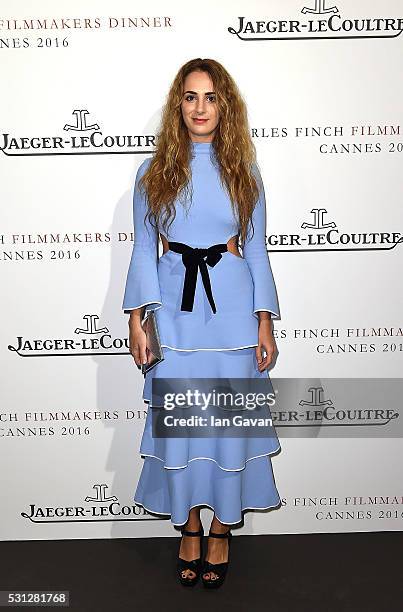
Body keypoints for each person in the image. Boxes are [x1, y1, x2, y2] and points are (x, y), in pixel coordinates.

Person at [122, 58, 282, 589]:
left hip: (233, 314)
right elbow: (145, 251)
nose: (200, 107)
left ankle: (221, 530)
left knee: (227, 425)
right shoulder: (153, 172)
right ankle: (188, 525)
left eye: (211, 97)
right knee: (182, 427)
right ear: (178, 105)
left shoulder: (245, 171)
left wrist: (265, 321)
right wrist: (136, 318)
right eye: (190, 97)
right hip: (174, 311)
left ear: (225, 105)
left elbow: (256, 252)